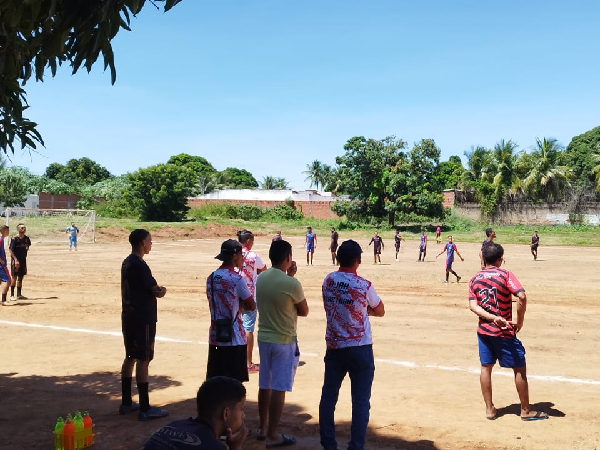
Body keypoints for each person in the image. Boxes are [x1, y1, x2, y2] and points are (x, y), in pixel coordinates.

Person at [468, 243, 548, 422]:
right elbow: (521, 295)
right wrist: (519, 321)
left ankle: (489, 409)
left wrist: (489, 317)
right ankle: (526, 410)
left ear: (483, 258)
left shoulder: (474, 279)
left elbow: (473, 305)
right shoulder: (505, 275)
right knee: (519, 368)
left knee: (485, 368)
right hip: (504, 332)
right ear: (500, 259)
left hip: (484, 331)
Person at [319, 240, 385, 450]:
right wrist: (365, 310)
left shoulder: (328, 280)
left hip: (335, 346)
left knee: (329, 397)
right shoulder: (364, 285)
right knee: (360, 401)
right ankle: (356, 446)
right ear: (358, 261)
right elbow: (380, 310)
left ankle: (328, 443)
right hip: (359, 347)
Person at [256, 239, 308, 448]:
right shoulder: (291, 284)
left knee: (264, 385)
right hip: (284, 340)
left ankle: (262, 427)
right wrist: (291, 278)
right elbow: (304, 311)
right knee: (279, 388)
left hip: (264, 338)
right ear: (288, 258)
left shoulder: (261, 278)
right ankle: (272, 434)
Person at [120, 229, 169, 421]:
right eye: (149, 241)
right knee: (143, 358)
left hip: (129, 315)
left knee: (130, 356)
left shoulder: (127, 262)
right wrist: (162, 290)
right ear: (142, 243)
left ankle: (126, 402)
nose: (151, 243)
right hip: (143, 317)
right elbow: (154, 289)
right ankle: (145, 407)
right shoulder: (139, 264)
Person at [140, 376, 249, 450]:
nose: (242, 416)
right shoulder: (213, 447)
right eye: (241, 409)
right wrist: (236, 447)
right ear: (225, 414)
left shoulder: (174, 425)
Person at [207, 239, 255, 382]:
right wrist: (241, 305)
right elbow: (251, 304)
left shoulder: (211, 278)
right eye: (241, 255)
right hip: (234, 337)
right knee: (234, 382)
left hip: (215, 335)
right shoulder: (237, 279)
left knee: (217, 380)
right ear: (234, 256)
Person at [236, 231, 265, 372]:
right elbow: (263, 269)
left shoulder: (234, 254)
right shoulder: (253, 256)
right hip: (249, 296)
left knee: (236, 327)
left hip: (234, 295)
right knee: (248, 329)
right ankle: (247, 363)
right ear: (248, 241)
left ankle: (236, 361)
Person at [9, 223, 31, 301]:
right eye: (22, 228)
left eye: (24, 228)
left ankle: (19, 294)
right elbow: (11, 250)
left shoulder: (26, 238)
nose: (23, 229)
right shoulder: (14, 239)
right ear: (18, 229)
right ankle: (12, 295)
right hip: (16, 261)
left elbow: (28, 246)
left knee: (21, 277)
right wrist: (15, 260)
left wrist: (25, 254)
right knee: (14, 277)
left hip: (23, 261)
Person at [0, 226, 11, 306]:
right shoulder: (0, 239)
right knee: (7, 280)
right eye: (8, 230)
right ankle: (3, 300)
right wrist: (1, 261)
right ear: (4, 231)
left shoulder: (1, 239)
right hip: (1, 265)